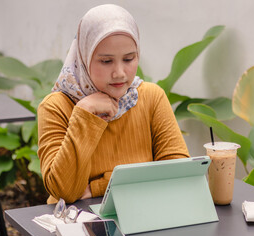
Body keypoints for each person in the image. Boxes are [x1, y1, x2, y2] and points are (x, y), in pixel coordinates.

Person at [37, 4, 189, 204]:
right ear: (83, 57)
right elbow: (64, 192)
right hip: (75, 225)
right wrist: (84, 113)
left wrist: (98, 187)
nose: (119, 73)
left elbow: (179, 173)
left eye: (129, 59)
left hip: (143, 216)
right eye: (106, 61)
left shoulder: (151, 97)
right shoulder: (56, 107)